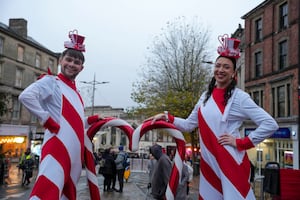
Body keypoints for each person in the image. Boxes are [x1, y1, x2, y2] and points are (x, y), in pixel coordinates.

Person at [149, 35, 279, 199]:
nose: (221, 70)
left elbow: (270, 124)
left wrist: (241, 143)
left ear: (233, 73)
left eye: (226, 67)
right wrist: (167, 117)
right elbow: (189, 124)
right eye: (218, 66)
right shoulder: (205, 97)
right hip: (210, 162)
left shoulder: (239, 97)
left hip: (231, 162)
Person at [18, 30, 101, 199]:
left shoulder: (76, 93)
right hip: (57, 148)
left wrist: (90, 120)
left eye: (76, 62)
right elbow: (26, 96)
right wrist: (46, 119)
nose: (72, 64)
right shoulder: (52, 82)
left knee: (66, 194)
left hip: (74, 153)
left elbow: (72, 123)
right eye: (68, 60)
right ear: (60, 61)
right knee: (46, 191)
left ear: (81, 67)